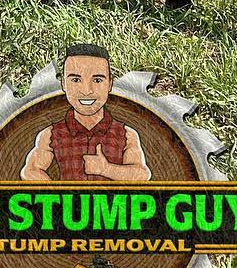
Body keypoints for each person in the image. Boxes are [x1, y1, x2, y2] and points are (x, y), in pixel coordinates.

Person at [20, 45, 151, 182]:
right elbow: (30, 171)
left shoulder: (126, 134)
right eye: (76, 80)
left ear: (110, 84)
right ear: (64, 84)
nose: (86, 91)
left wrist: (106, 169)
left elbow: (142, 175)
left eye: (97, 80)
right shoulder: (51, 134)